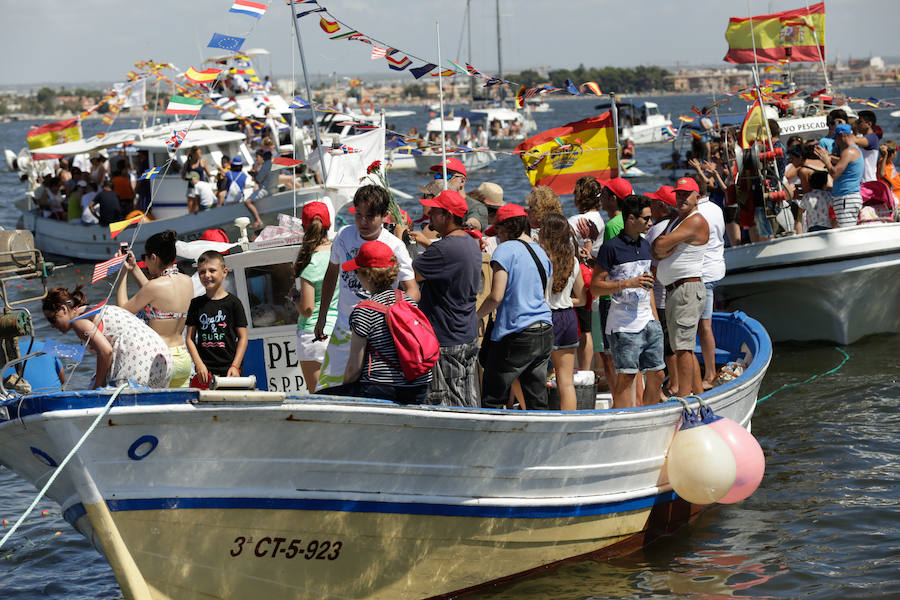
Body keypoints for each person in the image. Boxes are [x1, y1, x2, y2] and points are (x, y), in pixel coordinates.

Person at [314, 185, 419, 390]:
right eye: (358, 215)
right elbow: (331, 274)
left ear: (385, 216)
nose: (363, 222)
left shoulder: (395, 246)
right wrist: (322, 316)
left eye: (370, 217)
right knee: (328, 390)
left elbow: (412, 290)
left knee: (370, 390)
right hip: (344, 328)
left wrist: (393, 316)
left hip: (380, 335)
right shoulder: (344, 236)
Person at [323, 241, 432, 403]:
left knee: (324, 397)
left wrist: (344, 398)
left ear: (367, 275)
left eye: (358, 271)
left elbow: (354, 369)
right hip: (419, 388)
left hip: (381, 390)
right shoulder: (408, 301)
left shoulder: (364, 311)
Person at [477, 204, 553, 410]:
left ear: (509, 227)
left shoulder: (505, 250)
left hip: (516, 332)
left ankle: (491, 440)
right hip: (544, 329)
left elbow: (496, 296)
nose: (498, 237)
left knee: (493, 397)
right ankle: (539, 439)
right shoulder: (541, 253)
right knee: (536, 398)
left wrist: (476, 316)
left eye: (499, 231)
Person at [591, 195, 664, 408]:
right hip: (622, 324)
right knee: (627, 378)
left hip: (648, 320)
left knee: (658, 374)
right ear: (631, 218)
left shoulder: (644, 245)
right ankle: (626, 422)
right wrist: (628, 283)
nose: (651, 223)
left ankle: (648, 415)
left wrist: (656, 320)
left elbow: (647, 286)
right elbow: (595, 287)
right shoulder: (611, 248)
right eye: (646, 219)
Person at [413, 190, 482, 407]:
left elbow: (409, 276)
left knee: (446, 402)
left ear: (448, 216)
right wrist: (427, 244)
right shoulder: (470, 242)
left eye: (435, 211)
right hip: (466, 333)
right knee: (467, 399)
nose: (429, 215)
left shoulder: (444, 249)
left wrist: (397, 241)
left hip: (446, 338)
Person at [43, 286, 172, 389]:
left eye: (52, 319)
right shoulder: (89, 311)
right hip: (163, 356)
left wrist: (97, 386)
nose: (52, 326)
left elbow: (106, 352)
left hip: (139, 359)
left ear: (63, 309)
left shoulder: (78, 321)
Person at [652, 177, 709, 398]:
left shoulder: (694, 221)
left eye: (686, 194)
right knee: (682, 348)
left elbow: (661, 245)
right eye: (679, 194)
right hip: (677, 289)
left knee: (683, 348)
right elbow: (656, 249)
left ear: (698, 197)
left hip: (686, 289)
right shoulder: (678, 220)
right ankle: (697, 393)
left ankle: (685, 398)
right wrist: (664, 245)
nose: (681, 198)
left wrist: (666, 244)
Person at [117, 231, 195, 387]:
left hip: (162, 359)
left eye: (145, 257)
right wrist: (134, 269)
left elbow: (122, 312)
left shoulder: (154, 287)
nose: (144, 262)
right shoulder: (187, 281)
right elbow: (157, 298)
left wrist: (123, 273)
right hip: (183, 359)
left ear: (153, 257)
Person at [539, 213, 586, 410]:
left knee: (536, 376)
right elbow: (582, 298)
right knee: (565, 380)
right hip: (567, 317)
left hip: (545, 317)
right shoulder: (573, 261)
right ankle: (570, 422)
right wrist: (565, 299)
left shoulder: (541, 258)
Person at [291, 202, 338, 393]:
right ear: (328, 226)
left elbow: (308, 309)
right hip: (339, 331)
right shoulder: (339, 254)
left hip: (313, 334)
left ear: (303, 227)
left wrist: (295, 298)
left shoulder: (310, 263)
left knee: (319, 396)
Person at [185, 251, 249, 384]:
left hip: (230, 370)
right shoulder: (196, 304)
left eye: (212, 270)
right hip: (205, 372)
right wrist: (199, 364)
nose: (206, 275)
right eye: (202, 272)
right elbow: (190, 339)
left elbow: (243, 337)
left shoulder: (234, 303)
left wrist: (235, 366)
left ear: (224, 272)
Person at [645, 185, 679, 396]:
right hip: (674, 294)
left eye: (653, 202)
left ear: (661, 206)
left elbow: (650, 264)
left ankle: (673, 384)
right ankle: (676, 382)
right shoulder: (678, 226)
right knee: (676, 343)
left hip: (659, 297)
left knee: (666, 345)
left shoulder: (656, 230)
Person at [693, 174, 726, 390]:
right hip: (714, 269)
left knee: (703, 326)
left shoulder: (697, 213)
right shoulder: (715, 208)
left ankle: (710, 373)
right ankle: (709, 371)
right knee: (704, 325)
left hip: (703, 273)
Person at [815, 123, 863, 227]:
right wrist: (828, 156)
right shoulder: (853, 150)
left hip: (846, 197)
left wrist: (826, 161)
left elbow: (835, 174)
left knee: (847, 234)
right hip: (846, 197)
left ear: (842, 135)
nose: (835, 141)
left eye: (836, 138)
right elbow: (842, 162)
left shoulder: (848, 152)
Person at [222, 156, 263, 228]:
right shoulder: (243, 175)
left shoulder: (228, 174)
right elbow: (243, 187)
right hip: (240, 199)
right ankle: (257, 219)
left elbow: (223, 187)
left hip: (228, 201)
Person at [181, 147, 212, 214]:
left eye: (200, 153)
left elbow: (208, 174)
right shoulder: (187, 163)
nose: (200, 155)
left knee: (200, 208)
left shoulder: (202, 161)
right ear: (193, 154)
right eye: (198, 153)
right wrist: (190, 179)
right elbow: (183, 176)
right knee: (191, 209)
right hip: (191, 188)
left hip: (201, 188)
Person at [853, 110, 880, 183]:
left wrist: (846, 128)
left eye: (859, 122)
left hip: (868, 181)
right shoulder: (861, 137)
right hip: (862, 182)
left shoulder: (872, 137)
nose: (857, 124)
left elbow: (854, 140)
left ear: (869, 124)